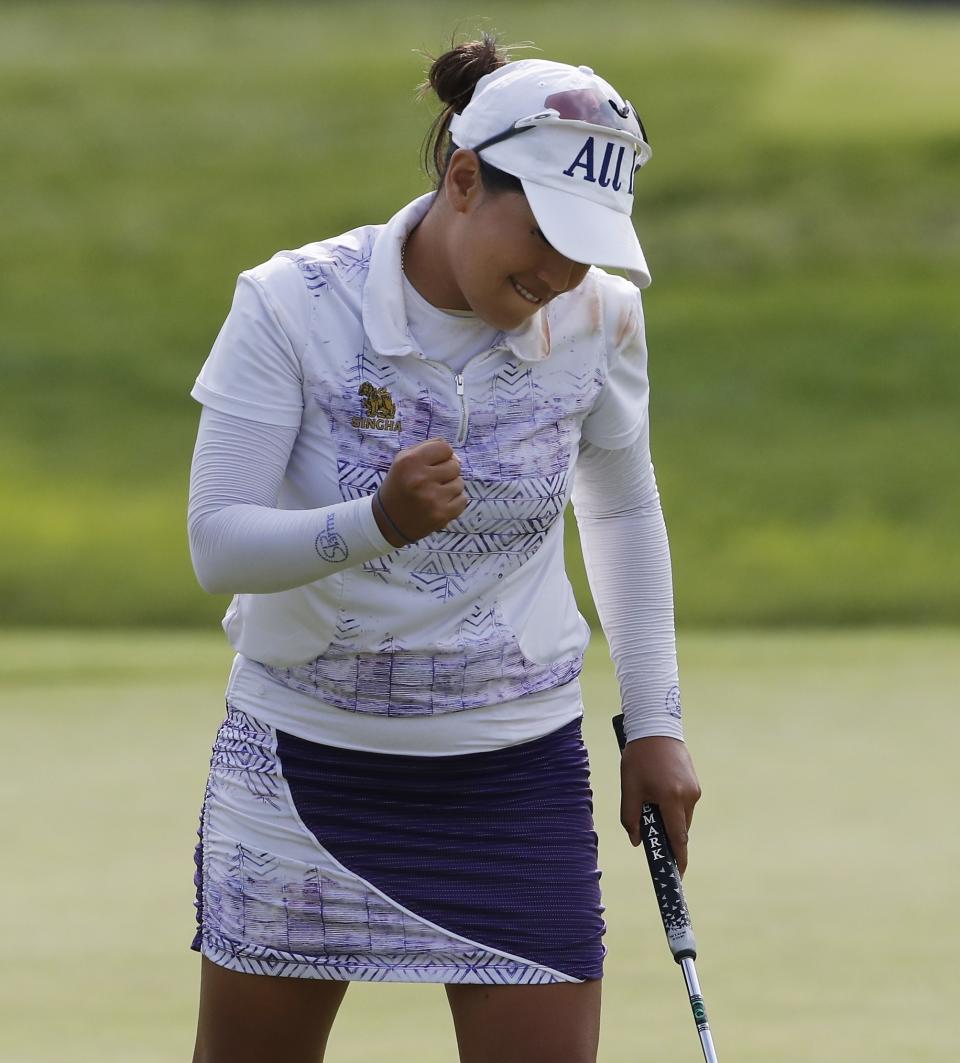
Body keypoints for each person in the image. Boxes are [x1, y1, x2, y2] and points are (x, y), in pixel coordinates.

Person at [186, 34, 701, 1063]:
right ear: (463, 180)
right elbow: (216, 544)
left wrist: (656, 722)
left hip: (515, 770)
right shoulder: (292, 302)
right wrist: (373, 522)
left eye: (589, 241)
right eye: (548, 230)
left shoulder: (601, 316)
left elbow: (622, 510)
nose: (563, 271)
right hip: (302, 763)